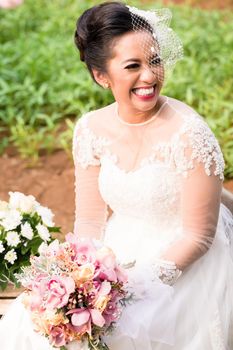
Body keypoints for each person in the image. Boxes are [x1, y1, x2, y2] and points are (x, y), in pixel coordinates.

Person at [0, 1, 233, 349]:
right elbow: (91, 221)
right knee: (38, 325)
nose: (150, 76)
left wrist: (131, 287)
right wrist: (82, 282)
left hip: (186, 261)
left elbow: (198, 237)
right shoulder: (90, 129)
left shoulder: (189, 133)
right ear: (101, 75)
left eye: (155, 61)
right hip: (119, 251)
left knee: (123, 328)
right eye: (133, 66)